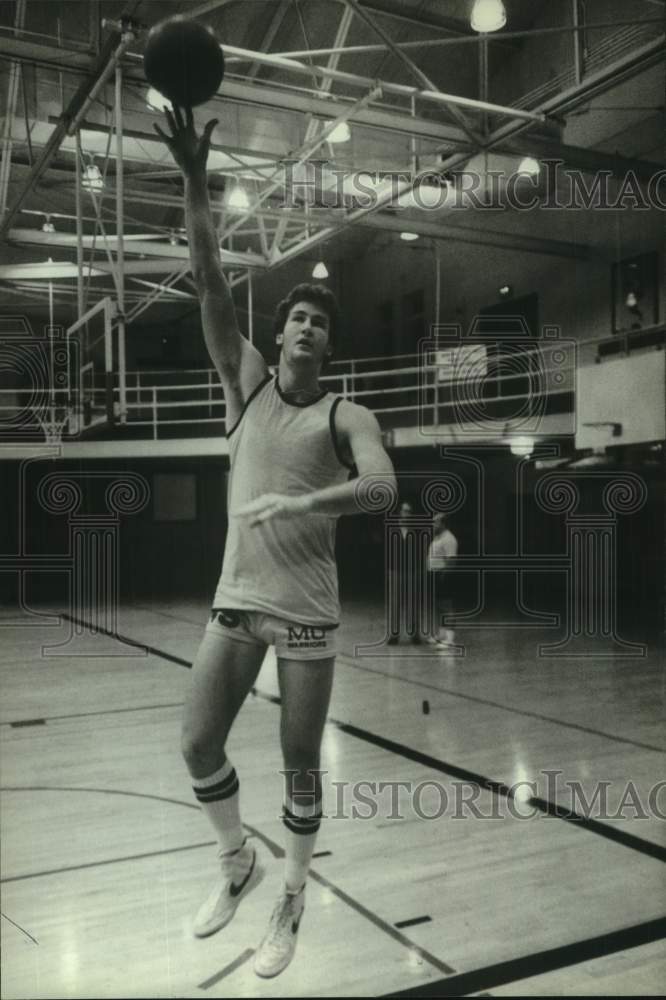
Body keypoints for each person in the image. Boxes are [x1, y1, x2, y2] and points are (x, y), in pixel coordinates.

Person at [154, 106, 396, 979]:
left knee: (300, 766)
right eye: (296, 319)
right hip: (236, 602)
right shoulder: (247, 387)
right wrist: (193, 180)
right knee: (196, 745)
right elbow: (211, 276)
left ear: (329, 345)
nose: (304, 330)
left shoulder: (346, 414)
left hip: (305, 618)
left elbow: (382, 487)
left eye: (319, 325)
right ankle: (236, 862)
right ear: (281, 331)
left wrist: (304, 506)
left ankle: (293, 895)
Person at [427, 513, 458, 647]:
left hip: (443, 576)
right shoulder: (437, 537)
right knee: (439, 607)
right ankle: (441, 635)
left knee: (447, 607)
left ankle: (450, 639)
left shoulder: (449, 538)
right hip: (434, 575)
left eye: (436, 522)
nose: (433, 525)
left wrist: (444, 576)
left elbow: (452, 560)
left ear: (443, 524)